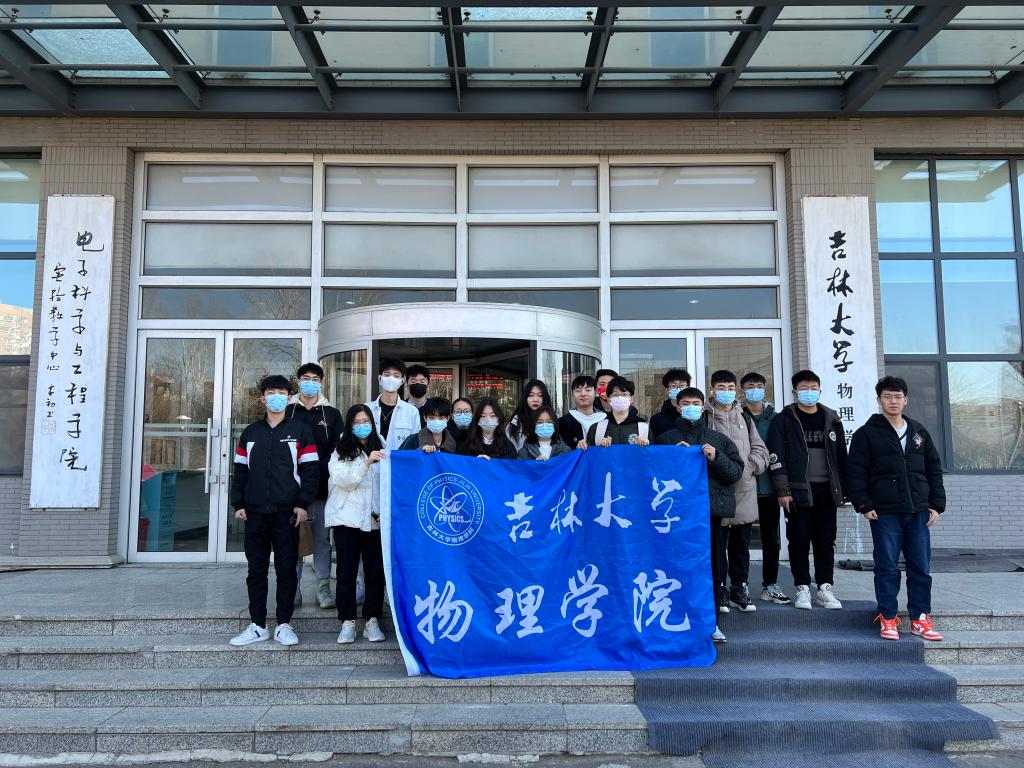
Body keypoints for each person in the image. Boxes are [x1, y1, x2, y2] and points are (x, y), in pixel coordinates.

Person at [847, 376, 946, 642]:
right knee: (887, 566)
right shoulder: (866, 433)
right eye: (888, 396)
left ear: (906, 400)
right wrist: (863, 504)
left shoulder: (918, 431)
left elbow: (933, 469)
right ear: (879, 400)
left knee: (920, 567)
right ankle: (888, 617)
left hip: (917, 510)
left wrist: (936, 504)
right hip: (884, 511)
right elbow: (855, 472)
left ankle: (920, 618)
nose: (893, 401)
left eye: (898, 396)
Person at [229, 375, 319, 648]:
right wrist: (238, 503)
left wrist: (303, 503)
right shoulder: (251, 432)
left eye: (281, 392)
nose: (276, 396)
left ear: (289, 398)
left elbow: (311, 471)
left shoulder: (301, 431)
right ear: (262, 398)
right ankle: (257, 625)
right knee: (256, 570)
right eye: (271, 392)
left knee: (286, 569)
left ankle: (283, 624)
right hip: (255, 511)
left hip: (287, 512)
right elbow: (240, 470)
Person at [655, 387, 743, 643]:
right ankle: (673, 619)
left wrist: (715, 457)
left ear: (703, 407)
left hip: (708, 515)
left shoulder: (719, 439)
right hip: (674, 516)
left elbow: (735, 473)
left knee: (711, 568)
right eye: (686, 403)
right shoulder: (665, 439)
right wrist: (673, 457)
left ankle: (710, 622)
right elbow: (653, 474)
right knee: (673, 568)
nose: (691, 407)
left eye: (696, 403)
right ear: (677, 407)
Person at [767, 369, 848, 611]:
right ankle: (802, 587)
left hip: (827, 491)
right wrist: (783, 490)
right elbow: (776, 457)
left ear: (820, 391)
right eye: (804, 389)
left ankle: (825, 588)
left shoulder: (832, 419)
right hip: (797, 492)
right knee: (799, 540)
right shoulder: (784, 420)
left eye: (813, 389)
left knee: (825, 541)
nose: (809, 393)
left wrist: (845, 491)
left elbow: (841, 457)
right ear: (794, 392)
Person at [706, 370, 769, 614]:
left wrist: (749, 468)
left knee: (741, 546)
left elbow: (760, 449)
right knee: (717, 545)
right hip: (716, 491)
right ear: (712, 390)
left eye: (730, 387)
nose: (726, 391)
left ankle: (739, 587)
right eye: (721, 387)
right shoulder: (705, 417)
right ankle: (720, 587)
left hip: (744, 490)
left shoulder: (745, 417)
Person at [326, 404, 387, 645]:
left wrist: (384, 512)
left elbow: (388, 484)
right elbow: (343, 480)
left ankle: (372, 620)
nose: (362, 426)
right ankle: (347, 621)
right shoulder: (340, 451)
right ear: (350, 426)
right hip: (346, 520)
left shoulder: (382, 447)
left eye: (366, 421)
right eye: (357, 422)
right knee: (346, 573)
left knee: (375, 573)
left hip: (374, 522)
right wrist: (366, 463)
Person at [285, 362, 344, 611]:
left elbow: (339, 450)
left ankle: (323, 586)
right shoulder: (287, 411)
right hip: (291, 489)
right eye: (306, 378)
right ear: (298, 381)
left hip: (322, 488)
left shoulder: (331, 414)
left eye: (315, 379)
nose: (310, 382)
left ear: (321, 383)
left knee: (321, 539)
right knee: (293, 539)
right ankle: (293, 586)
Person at [740, 371, 790, 605]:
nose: (755, 390)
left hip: (769, 486)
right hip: (743, 486)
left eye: (759, 386)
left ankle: (770, 584)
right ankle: (739, 584)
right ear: (742, 391)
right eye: (750, 386)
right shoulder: (737, 415)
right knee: (740, 539)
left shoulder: (777, 418)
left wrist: (784, 488)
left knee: (771, 538)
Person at [366, 358, 421, 453]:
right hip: (370, 461)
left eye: (396, 376)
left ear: (402, 380)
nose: (391, 379)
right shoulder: (367, 409)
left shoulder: (411, 411)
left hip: (399, 461)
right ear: (380, 378)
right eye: (387, 375)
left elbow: (415, 444)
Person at [585, 376, 649, 447]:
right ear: (608, 399)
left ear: (631, 399)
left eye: (624, 394)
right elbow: (589, 452)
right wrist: (599, 447)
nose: (620, 398)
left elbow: (653, 453)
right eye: (615, 395)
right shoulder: (597, 428)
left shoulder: (644, 428)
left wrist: (645, 446)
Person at [558, 375, 606, 450]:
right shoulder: (563, 423)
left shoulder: (605, 420)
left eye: (588, 390)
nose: (583, 394)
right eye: (578, 390)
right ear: (572, 394)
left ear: (595, 392)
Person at [507, 379, 553, 452]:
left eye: (540, 395)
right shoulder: (515, 423)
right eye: (531, 395)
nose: (535, 399)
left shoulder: (554, 420)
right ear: (525, 397)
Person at [650, 368, 692, 439]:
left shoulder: (697, 415)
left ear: (688, 388)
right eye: (673, 386)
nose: (678, 389)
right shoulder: (657, 419)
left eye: (682, 385)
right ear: (667, 390)